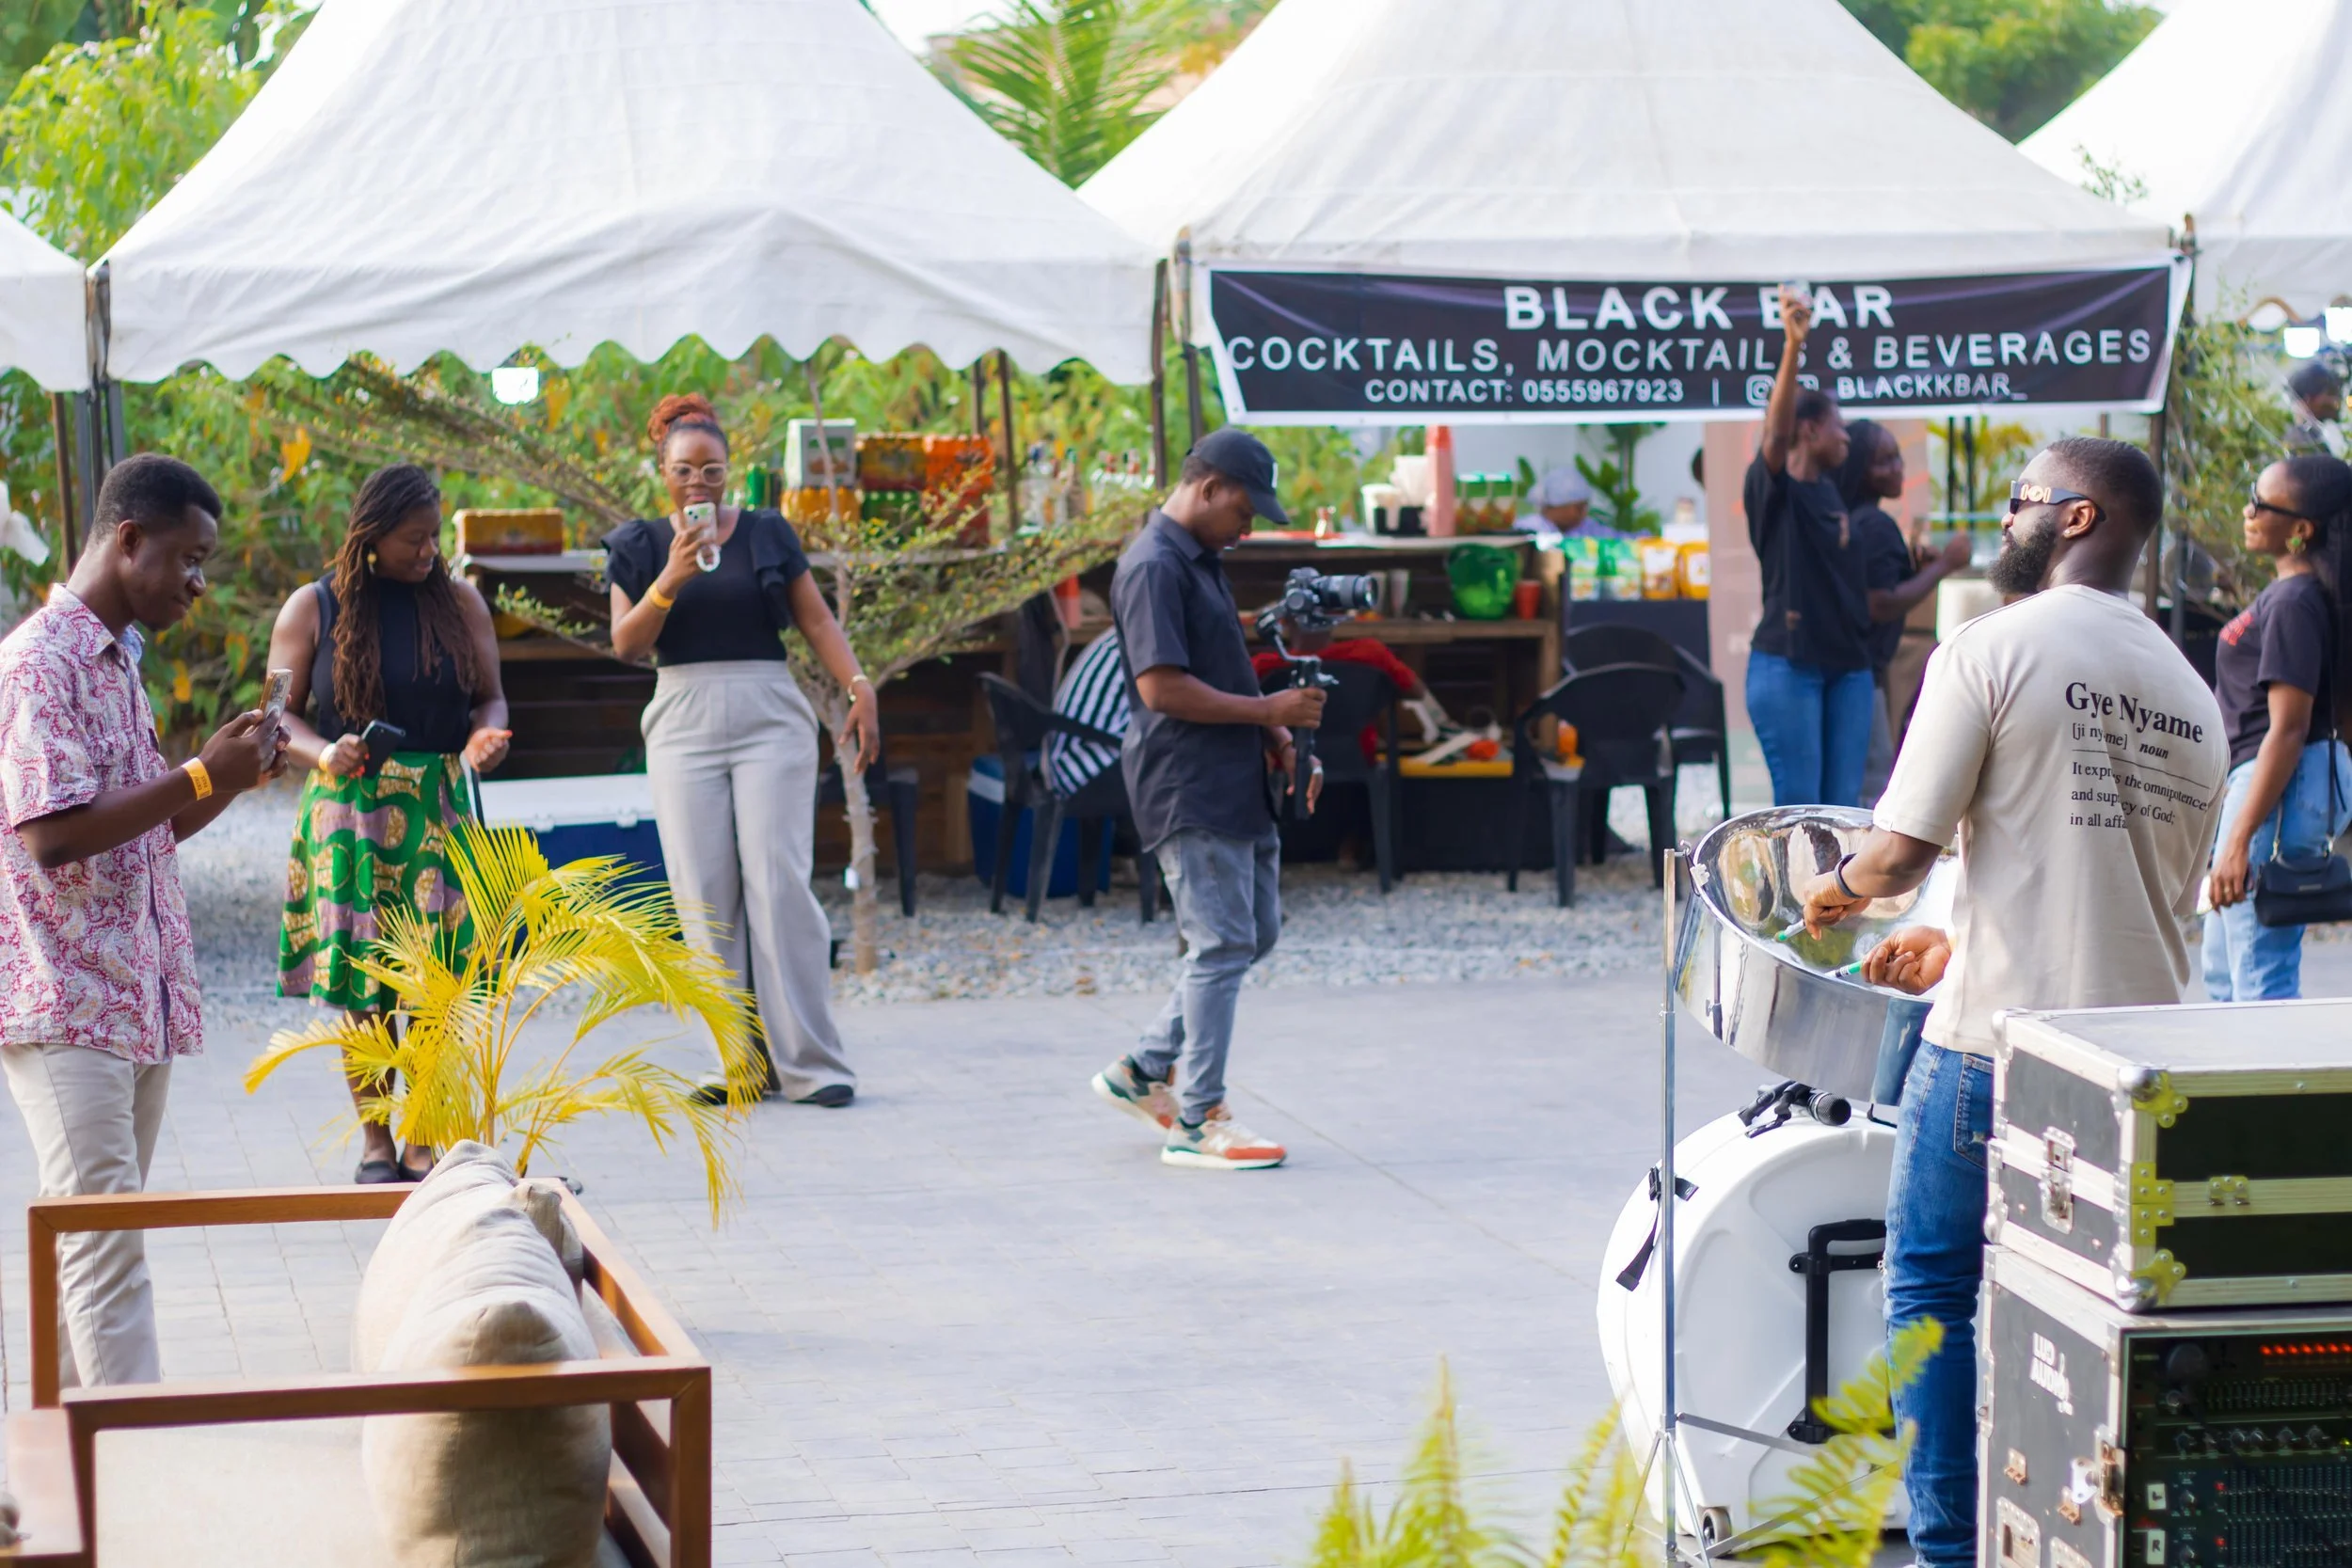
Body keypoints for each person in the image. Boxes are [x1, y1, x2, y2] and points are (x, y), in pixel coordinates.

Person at [1796, 437, 2228, 1568]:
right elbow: (2121, 884)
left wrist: (1829, 891)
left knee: (1934, 1292)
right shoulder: (2190, 692)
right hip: (2139, 1062)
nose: (2005, 519)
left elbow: (1893, 855)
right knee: (2090, 1323)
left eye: (2021, 500)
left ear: (2078, 519)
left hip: (1997, 1049)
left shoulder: (1990, 644)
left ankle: (1948, 1551)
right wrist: (1955, 927)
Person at [0, 453, 284, 1386]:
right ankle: (136, 1472)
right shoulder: (40, 661)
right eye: (190, 558)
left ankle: (48, 1472)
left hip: (132, 998)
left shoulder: (117, 664)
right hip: (65, 997)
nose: (199, 584)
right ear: (129, 541)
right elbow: (51, 836)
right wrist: (201, 772)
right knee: (107, 1242)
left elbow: (146, 827)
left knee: (81, 1233)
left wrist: (226, 778)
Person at [607, 394, 875, 1108]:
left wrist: (857, 683)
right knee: (703, 893)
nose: (699, 483)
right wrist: (670, 578)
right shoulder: (638, 547)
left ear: (730, 470)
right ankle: (736, 1063)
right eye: (684, 470)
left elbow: (814, 617)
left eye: (712, 469)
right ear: (661, 469)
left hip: (768, 713)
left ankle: (813, 1064)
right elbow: (627, 644)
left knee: (779, 880)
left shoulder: (764, 532)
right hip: (683, 715)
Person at [270, 464, 512, 1182]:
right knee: (364, 983)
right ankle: (376, 1141)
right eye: (414, 538)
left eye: (435, 535)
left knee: (437, 979)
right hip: (349, 811)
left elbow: (492, 700)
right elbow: (274, 717)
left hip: (436, 806)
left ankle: (425, 1136)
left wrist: (482, 740)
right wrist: (323, 749)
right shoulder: (310, 607)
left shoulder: (461, 603)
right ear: (371, 536)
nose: (429, 550)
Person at [1089, 429, 1324, 1170]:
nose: (1249, 526)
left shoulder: (1201, 557)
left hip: (1232, 776)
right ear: (1210, 485)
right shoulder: (1153, 565)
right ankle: (1198, 1118)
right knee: (1222, 943)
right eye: (1246, 509)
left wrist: (1275, 740)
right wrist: (1269, 715)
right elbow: (1160, 687)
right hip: (1188, 784)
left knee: (1252, 932)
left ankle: (1141, 1068)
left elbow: (1219, 670)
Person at [2202, 454, 2352, 999]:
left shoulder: (2295, 601)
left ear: (2301, 530)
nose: (2248, 510)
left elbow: (2289, 729)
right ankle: (2230, 1083)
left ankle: (2268, 1083)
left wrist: (2239, 839)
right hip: (2281, 782)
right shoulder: (2307, 596)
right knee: (2223, 967)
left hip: (2274, 786)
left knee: (2257, 966)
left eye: (2261, 503)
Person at [1744, 286, 1871, 807]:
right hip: (1788, 665)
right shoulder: (1775, 491)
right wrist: (1793, 346)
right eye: (1838, 426)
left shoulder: (1832, 491)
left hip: (1849, 668)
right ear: (1810, 428)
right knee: (1799, 811)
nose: (1846, 438)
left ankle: (1837, 895)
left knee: (1843, 811)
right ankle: (1795, 895)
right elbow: (1775, 439)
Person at [1834, 420, 1971, 802]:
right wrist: (1947, 565)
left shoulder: (1852, 519)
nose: (1897, 468)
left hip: (1852, 671)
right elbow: (1879, 602)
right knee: (1872, 785)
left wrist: (1918, 569)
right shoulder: (1875, 524)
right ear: (1861, 469)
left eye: (1897, 458)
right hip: (1864, 674)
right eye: (1884, 461)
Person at [1529, 467, 1614, 538]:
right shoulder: (1528, 531)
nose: (1584, 513)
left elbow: (1618, 538)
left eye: (1585, 506)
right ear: (1556, 507)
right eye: (1579, 508)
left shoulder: (1586, 528)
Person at [2287, 361, 2344, 456]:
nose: (2336, 400)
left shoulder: (2314, 439)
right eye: (2330, 394)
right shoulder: (2302, 446)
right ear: (2308, 400)